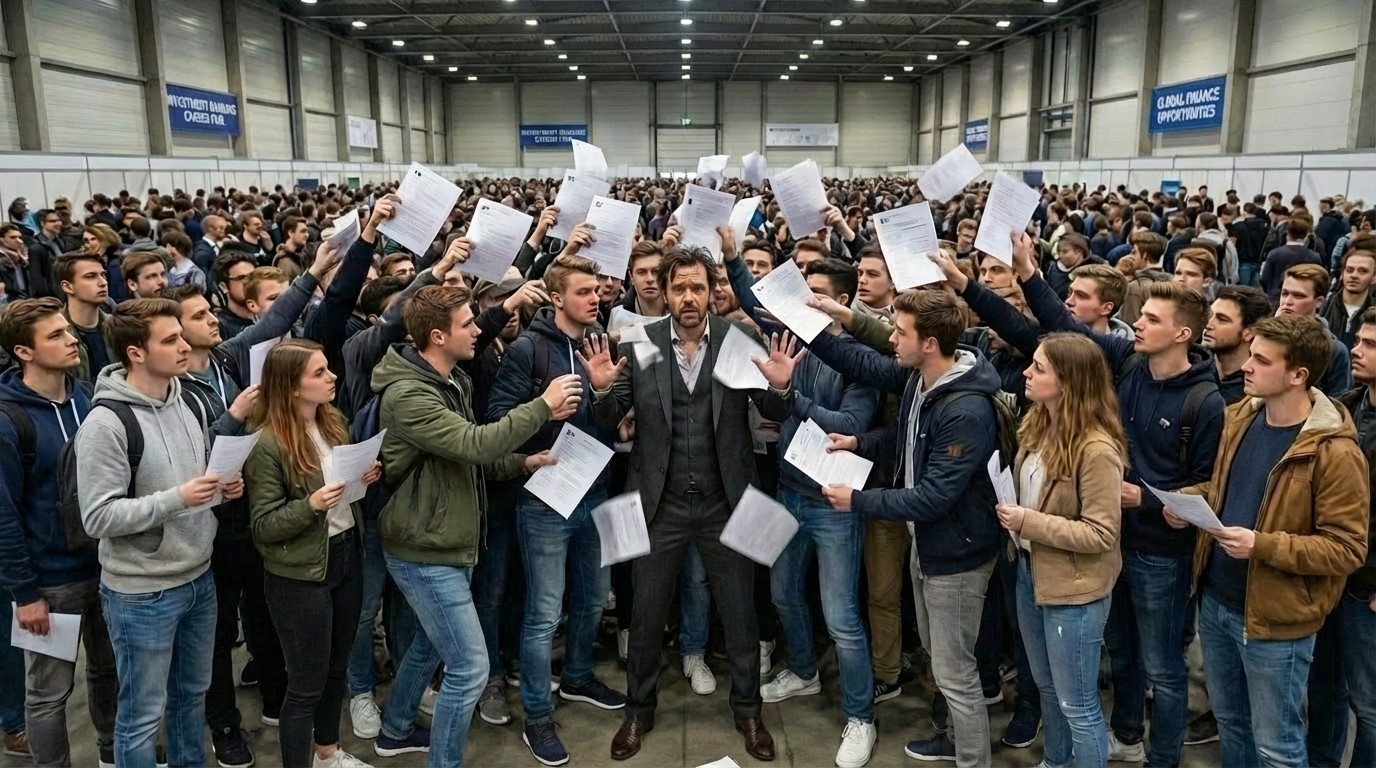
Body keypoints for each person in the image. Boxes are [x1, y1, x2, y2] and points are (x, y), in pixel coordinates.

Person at [598, 244, 791, 763]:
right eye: (679, 287)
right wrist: (601, 392)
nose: (688, 297)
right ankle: (637, 712)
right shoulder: (640, 342)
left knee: (741, 614)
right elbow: (611, 414)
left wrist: (780, 388)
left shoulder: (737, 339)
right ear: (664, 292)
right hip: (657, 504)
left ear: (711, 292)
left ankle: (748, 712)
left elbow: (772, 408)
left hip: (726, 500)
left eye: (698, 287)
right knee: (645, 613)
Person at [371, 285, 579, 767]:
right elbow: (473, 444)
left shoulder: (451, 380)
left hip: (446, 537)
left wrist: (522, 462)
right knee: (468, 666)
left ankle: (395, 730)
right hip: (423, 548)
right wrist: (542, 406)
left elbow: (469, 458)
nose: (477, 331)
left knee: (429, 645)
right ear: (438, 336)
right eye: (468, 323)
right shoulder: (409, 395)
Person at [808, 287, 1004, 768]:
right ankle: (956, 741)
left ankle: (972, 759)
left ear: (930, 344)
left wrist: (857, 500)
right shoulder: (923, 380)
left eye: (899, 332)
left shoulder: (966, 411)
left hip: (956, 554)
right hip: (929, 543)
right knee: (941, 658)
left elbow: (934, 496)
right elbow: (906, 432)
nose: (891, 339)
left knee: (956, 674)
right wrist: (861, 442)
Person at [1168, 314, 1369, 768]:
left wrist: (1262, 545)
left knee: (1277, 747)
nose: (1247, 366)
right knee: (1232, 724)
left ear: (1298, 375)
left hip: (1276, 620)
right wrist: (1188, 501)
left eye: (1261, 359)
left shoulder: (1334, 451)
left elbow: (1346, 548)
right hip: (1217, 602)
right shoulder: (1240, 416)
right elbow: (1226, 488)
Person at [75, 298, 242, 768]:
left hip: (199, 577)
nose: (185, 346)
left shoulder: (187, 399)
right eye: (170, 340)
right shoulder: (107, 424)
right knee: (141, 717)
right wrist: (179, 499)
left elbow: (192, 479)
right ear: (135, 353)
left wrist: (219, 490)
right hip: (142, 593)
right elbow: (97, 517)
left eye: (181, 336)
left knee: (191, 697)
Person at [487, 254, 626, 766]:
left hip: (595, 488)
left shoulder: (600, 341)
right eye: (584, 291)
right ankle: (538, 717)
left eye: (597, 290)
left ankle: (578, 677)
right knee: (545, 612)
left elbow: (612, 420)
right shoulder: (527, 349)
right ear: (556, 297)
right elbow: (496, 420)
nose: (596, 297)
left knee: (592, 599)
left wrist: (605, 391)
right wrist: (544, 410)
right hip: (545, 496)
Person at [245, 340, 379, 768]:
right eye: (319, 373)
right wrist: (311, 505)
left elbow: (344, 489)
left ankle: (327, 753)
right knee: (305, 684)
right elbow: (263, 526)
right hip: (299, 575)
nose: (332, 376)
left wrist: (363, 476)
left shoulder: (333, 422)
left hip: (345, 554)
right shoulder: (267, 444)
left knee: (337, 668)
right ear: (291, 386)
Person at [996, 333, 1126, 768]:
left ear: (1068, 382)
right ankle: (1054, 761)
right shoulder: (1038, 424)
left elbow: (1101, 534)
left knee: (1078, 704)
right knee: (1048, 688)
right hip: (1030, 572)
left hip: (1075, 591)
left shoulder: (1097, 448)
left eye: (1039, 368)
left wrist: (1028, 522)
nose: (1026, 373)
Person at [0, 298, 110, 766]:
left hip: (106, 567)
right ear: (24, 352)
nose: (72, 341)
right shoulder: (9, 420)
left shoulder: (86, 396)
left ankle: (111, 752)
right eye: (56, 335)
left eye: (68, 331)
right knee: (48, 694)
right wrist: (25, 594)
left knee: (108, 673)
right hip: (51, 581)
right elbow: (3, 517)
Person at [1309, 307, 1376, 767]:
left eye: (1371, 345)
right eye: (1360, 340)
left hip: (1367, 587)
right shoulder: (1345, 408)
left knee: (1368, 706)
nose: (1356, 349)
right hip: (1331, 572)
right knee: (1324, 687)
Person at [54, 252, 114, 385]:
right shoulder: (54, 335)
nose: (103, 282)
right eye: (90, 276)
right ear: (68, 286)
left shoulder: (118, 327)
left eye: (103, 275)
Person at [1319, 249, 1376, 350]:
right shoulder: (1322, 306)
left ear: (1374, 277)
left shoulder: (1373, 313)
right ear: (1342, 273)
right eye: (1349, 270)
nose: (1354, 275)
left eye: (1363, 271)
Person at [1260, 218, 1324, 306]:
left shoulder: (1275, 253)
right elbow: (1319, 280)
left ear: (1288, 233)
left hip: (1277, 296)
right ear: (1306, 235)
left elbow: (1265, 278)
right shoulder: (1314, 256)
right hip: (1303, 298)